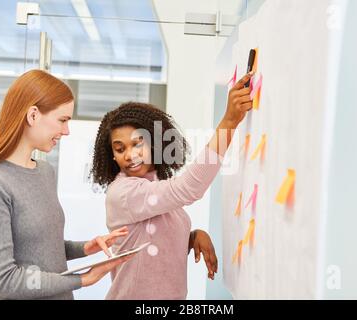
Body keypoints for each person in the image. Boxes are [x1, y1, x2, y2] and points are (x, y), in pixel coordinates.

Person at [0, 69, 132, 299]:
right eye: (62, 120)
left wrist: (84, 248)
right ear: (33, 115)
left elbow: (40, 250)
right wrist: (81, 279)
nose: (66, 131)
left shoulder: (44, 172)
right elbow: (3, 282)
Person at [90, 72, 254, 299]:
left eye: (138, 143)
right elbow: (189, 188)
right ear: (112, 156)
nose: (130, 155)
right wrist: (228, 123)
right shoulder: (125, 193)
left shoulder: (154, 186)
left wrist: (192, 236)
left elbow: (153, 240)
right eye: (120, 149)